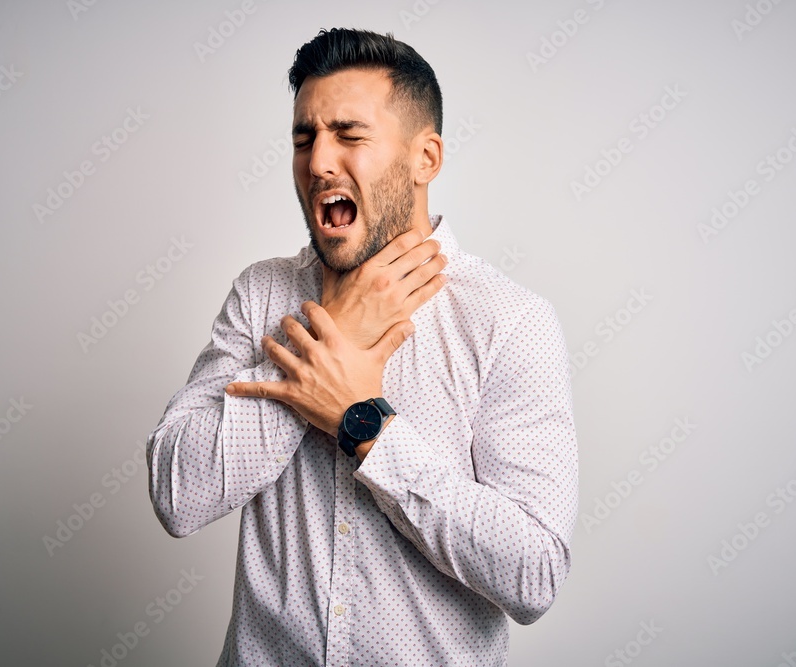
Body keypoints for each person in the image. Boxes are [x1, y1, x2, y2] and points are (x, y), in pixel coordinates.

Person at [146, 27, 579, 666]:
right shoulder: (260, 294)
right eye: (304, 139)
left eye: (349, 135)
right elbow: (177, 494)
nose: (319, 162)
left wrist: (365, 425)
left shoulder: (510, 321)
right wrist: (336, 331)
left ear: (425, 158)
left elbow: (533, 575)